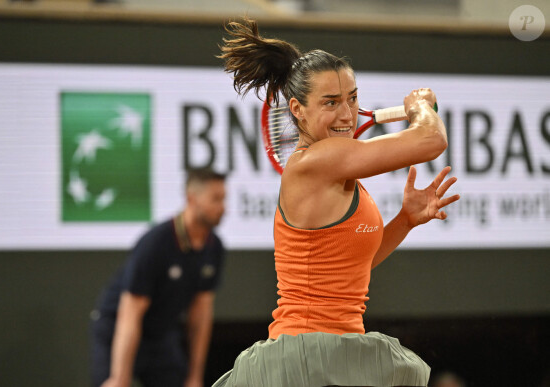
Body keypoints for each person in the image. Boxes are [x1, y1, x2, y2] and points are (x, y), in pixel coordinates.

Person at [214, 18, 460, 387]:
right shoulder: (317, 161)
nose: (347, 114)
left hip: (337, 356)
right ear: (297, 109)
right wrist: (421, 107)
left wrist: (405, 221)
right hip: (304, 361)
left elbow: (354, 266)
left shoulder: (337, 170)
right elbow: (430, 140)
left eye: (353, 98)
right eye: (331, 103)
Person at [90, 167, 227, 387]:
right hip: (118, 326)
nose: (223, 208)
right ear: (192, 198)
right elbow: (130, 314)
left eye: (224, 199)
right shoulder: (156, 243)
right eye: (216, 199)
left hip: (160, 334)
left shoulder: (215, 248)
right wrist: (119, 378)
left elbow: (200, 315)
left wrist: (195, 377)